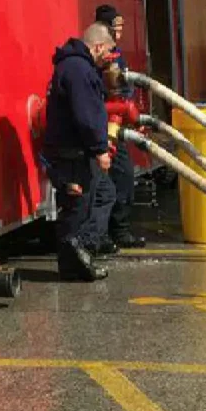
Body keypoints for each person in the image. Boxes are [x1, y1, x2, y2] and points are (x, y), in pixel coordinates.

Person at [41, 23, 118, 281]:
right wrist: (100, 149)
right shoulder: (79, 70)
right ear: (98, 46)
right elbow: (86, 116)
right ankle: (78, 255)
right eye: (108, 51)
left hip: (70, 152)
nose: (109, 58)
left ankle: (74, 264)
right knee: (80, 207)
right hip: (73, 154)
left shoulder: (73, 66)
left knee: (83, 204)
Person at [89, 4, 147, 254]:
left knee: (123, 178)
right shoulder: (95, 61)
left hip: (116, 124)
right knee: (102, 188)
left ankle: (119, 231)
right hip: (101, 128)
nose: (120, 34)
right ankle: (98, 237)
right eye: (117, 28)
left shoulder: (115, 56)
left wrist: (134, 116)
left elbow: (123, 92)